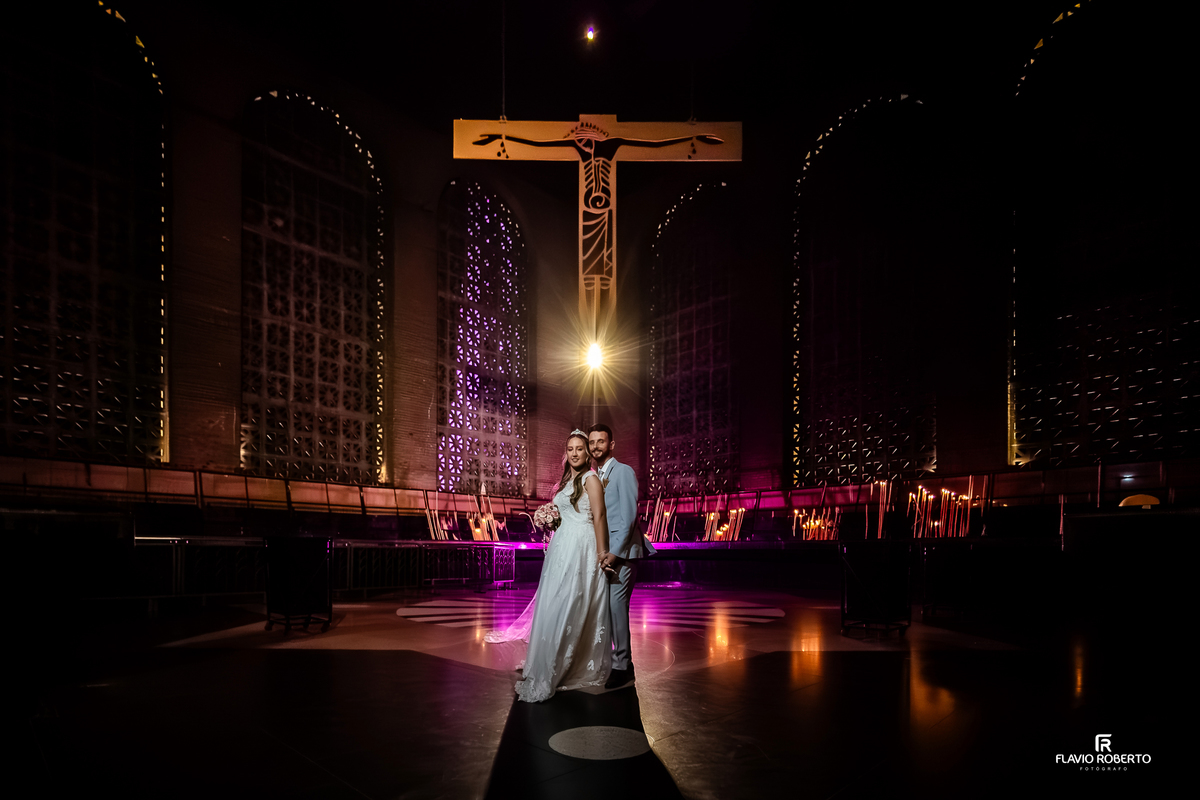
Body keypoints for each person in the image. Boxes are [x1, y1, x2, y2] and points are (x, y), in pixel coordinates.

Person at [507, 430, 614, 703]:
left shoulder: (591, 478)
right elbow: (566, 513)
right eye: (570, 449)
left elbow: (599, 516)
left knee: (572, 604)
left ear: (587, 453)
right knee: (554, 603)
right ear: (565, 453)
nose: (575, 453)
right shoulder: (568, 481)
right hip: (561, 548)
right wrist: (551, 521)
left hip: (582, 548)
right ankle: (548, 660)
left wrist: (603, 552)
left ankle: (564, 665)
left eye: (580, 448)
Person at [589, 423, 656, 690]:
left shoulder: (624, 472)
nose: (595, 447)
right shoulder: (594, 476)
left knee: (617, 608)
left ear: (611, 445)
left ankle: (623, 665)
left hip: (624, 553)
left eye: (601, 442)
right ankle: (611, 659)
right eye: (592, 442)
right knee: (604, 608)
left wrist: (615, 553)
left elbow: (629, 518)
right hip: (605, 551)